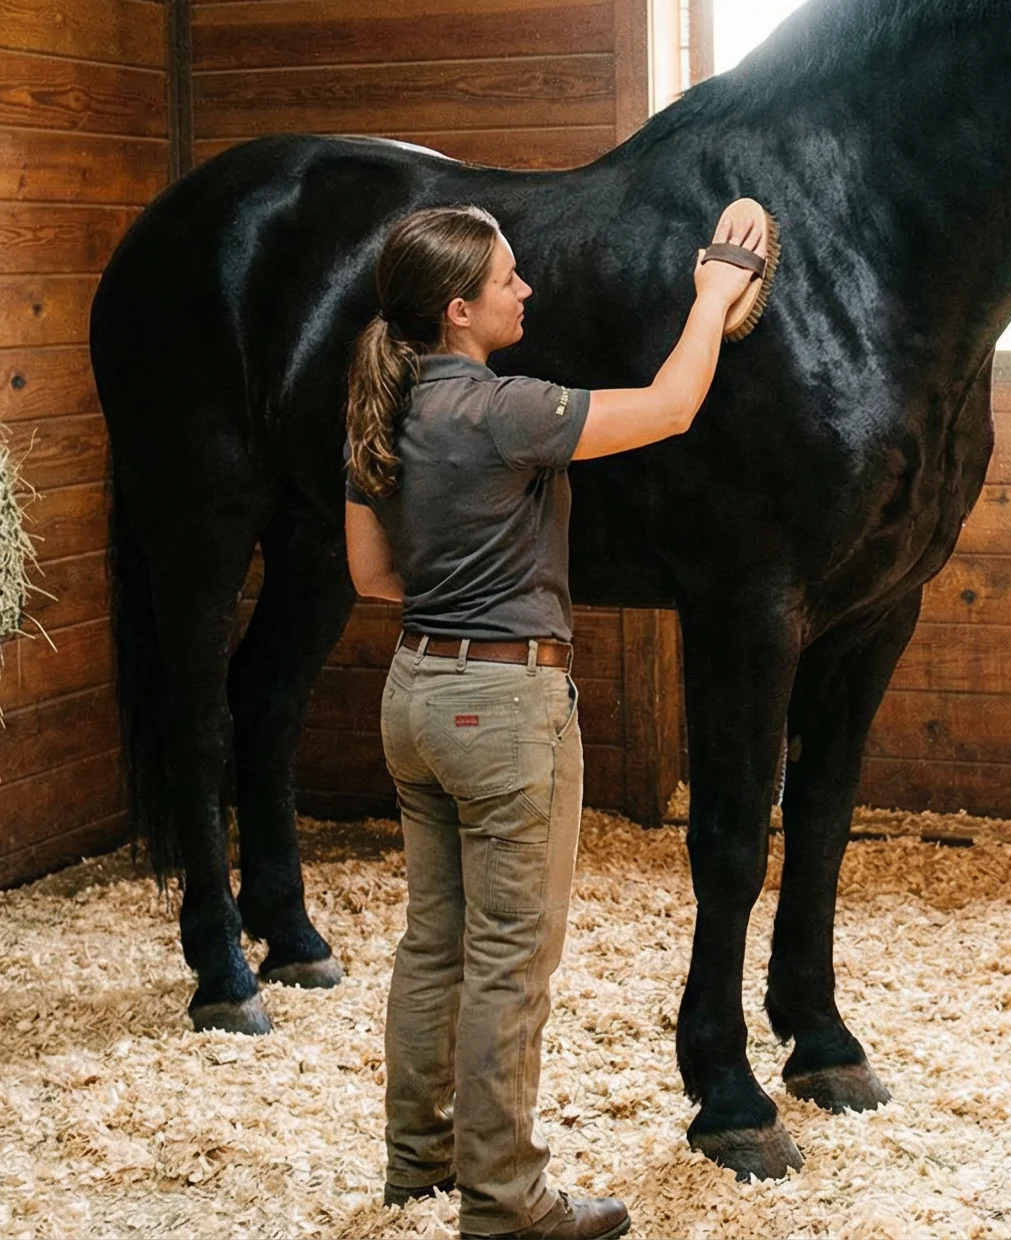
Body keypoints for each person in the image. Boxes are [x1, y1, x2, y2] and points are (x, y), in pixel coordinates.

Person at [343, 199, 767, 1240]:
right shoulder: (505, 410)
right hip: (504, 702)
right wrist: (713, 294)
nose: (525, 291)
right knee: (508, 958)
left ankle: (418, 1160)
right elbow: (670, 407)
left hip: (414, 695)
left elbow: (371, 574)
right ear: (458, 309)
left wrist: (456, 590)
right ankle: (505, 1200)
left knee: (434, 942)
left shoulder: (378, 409)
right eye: (507, 280)